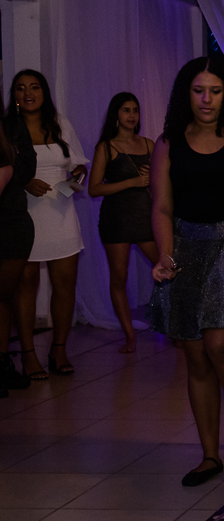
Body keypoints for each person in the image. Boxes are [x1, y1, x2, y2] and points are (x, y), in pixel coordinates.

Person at [149, 57, 224, 487]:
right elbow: (162, 207)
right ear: (187, 94)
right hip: (187, 246)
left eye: (215, 91)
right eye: (199, 91)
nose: (206, 99)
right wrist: (165, 255)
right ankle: (208, 455)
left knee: (220, 341)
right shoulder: (168, 143)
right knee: (195, 352)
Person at [8, 70, 88, 379]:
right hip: (23, 216)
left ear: (44, 92)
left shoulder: (60, 123)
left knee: (65, 284)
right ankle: (28, 354)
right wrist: (24, 181)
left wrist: (74, 180)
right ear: (14, 95)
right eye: (21, 88)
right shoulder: (8, 128)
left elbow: (79, 165)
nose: (28, 93)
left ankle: (59, 349)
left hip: (62, 213)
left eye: (34, 87)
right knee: (25, 285)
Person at [89, 92, 158, 353]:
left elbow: (163, 183)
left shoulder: (149, 144)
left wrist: (152, 179)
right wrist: (132, 182)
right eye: (126, 110)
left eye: (135, 110)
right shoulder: (106, 147)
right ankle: (129, 336)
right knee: (119, 277)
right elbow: (94, 189)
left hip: (145, 217)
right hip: (116, 219)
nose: (132, 115)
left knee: (167, 270)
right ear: (116, 115)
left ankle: (173, 327)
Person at [0, 116, 35, 394]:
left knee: (3, 295)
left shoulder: (11, 126)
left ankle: (2, 363)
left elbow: (25, 170)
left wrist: (9, 167)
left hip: (11, 223)